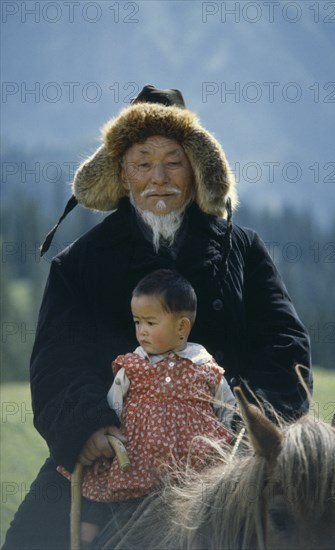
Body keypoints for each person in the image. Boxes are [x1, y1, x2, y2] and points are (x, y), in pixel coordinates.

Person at [3, 84, 312, 550]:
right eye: (143, 162)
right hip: (115, 449)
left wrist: (251, 427)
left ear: (196, 169)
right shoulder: (79, 263)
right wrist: (85, 427)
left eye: (173, 160)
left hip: (226, 450)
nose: (158, 177)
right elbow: (55, 364)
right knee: (30, 539)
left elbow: (285, 345)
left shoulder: (242, 249)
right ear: (122, 175)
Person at [64, 268, 235, 547]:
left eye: (150, 323)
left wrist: (225, 442)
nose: (141, 331)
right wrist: (106, 432)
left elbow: (225, 405)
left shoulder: (203, 365)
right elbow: (113, 403)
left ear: (182, 327)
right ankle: (88, 540)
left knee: (199, 509)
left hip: (192, 460)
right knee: (107, 493)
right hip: (139, 456)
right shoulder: (133, 364)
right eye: (137, 322)